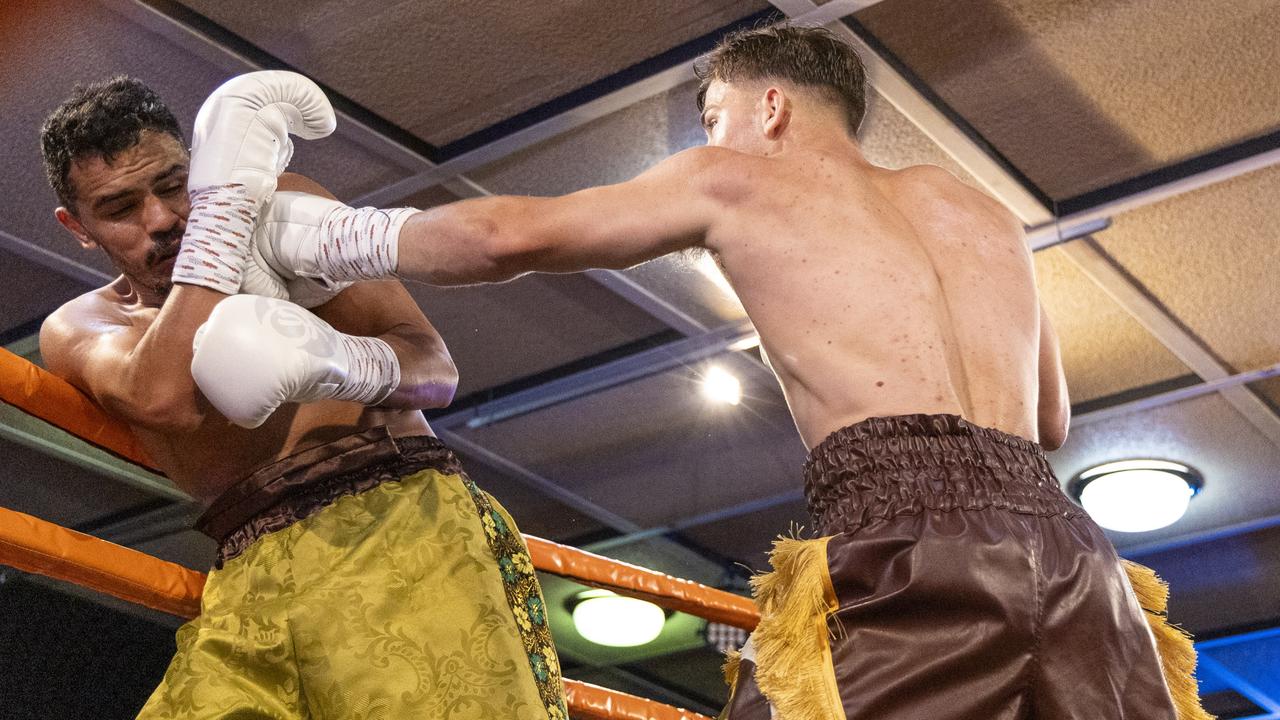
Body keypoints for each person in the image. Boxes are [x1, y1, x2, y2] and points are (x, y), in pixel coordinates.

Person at [246, 25, 1209, 720]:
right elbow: (1046, 420)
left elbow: (509, 235)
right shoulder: (985, 212)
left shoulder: (733, 176)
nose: (707, 142)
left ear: (770, 106)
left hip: (914, 545)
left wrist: (318, 234)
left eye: (714, 117)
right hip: (1081, 566)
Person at [37, 73, 567, 720]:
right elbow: (165, 399)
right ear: (78, 227)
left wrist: (340, 362)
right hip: (246, 564)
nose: (162, 219)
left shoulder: (278, 211)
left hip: (395, 521)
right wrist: (217, 232)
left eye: (175, 185)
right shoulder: (83, 326)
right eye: (120, 208)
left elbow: (434, 368)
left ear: (199, 167)